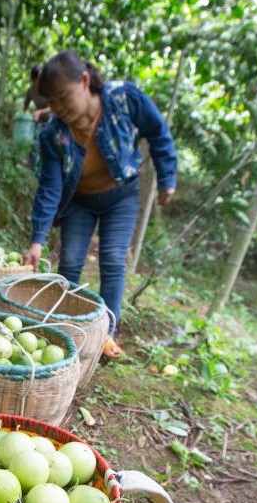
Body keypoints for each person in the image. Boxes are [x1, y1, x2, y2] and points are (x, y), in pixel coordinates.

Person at [23, 50, 177, 359]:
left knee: (112, 259)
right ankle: (63, 328)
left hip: (122, 196)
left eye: (62, 98)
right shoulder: (53, 133)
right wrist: (37, 238)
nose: (57, 108)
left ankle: (106, 335)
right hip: (80, 200)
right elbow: (50, 187)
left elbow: (157, 131)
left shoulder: (123, 97)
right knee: (69, 262)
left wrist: (167, 177)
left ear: (83, 81)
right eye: (51, 102)